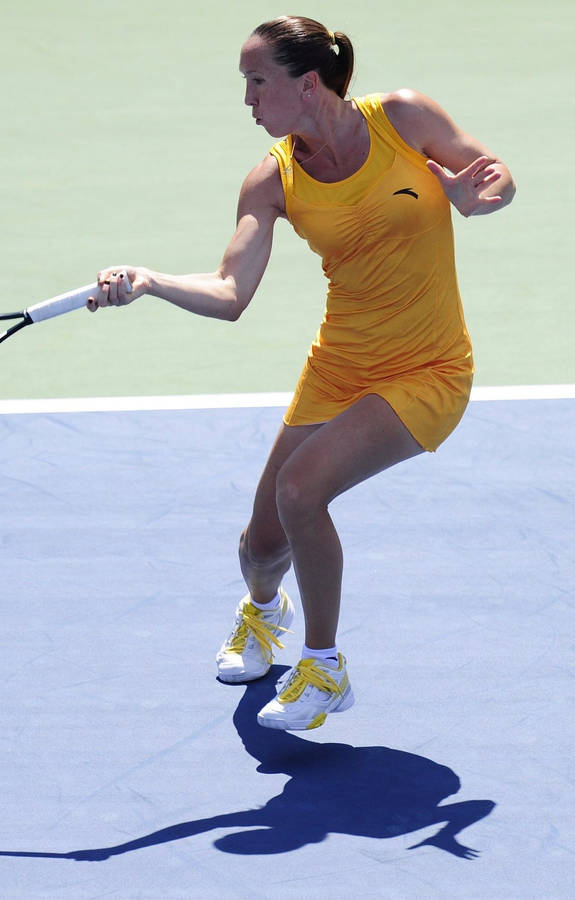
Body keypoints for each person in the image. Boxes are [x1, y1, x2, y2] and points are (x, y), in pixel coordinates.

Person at [86, 15, 515, 731]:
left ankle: (324, 668)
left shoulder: (403, 118)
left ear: (306, 82)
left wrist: (480, 198)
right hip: (338, 366)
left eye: (258, 82)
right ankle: (261, 613)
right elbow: (229, 294)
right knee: (260, 544)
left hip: (428, 368)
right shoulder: (271, 179)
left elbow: (494, 176)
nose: (247, 99)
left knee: (300, 490)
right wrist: (150, 280)